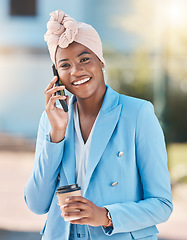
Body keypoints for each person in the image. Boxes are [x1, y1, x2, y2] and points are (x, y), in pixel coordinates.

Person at [24, 10, 173, 240]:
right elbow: (36, 203)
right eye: (65, 65)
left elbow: (162, 204)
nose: (76, 71)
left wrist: (106, 216)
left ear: (101, 60)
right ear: (56, 76)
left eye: (85, 59)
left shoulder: (138, 114)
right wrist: (56, 135)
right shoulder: (52, 119)